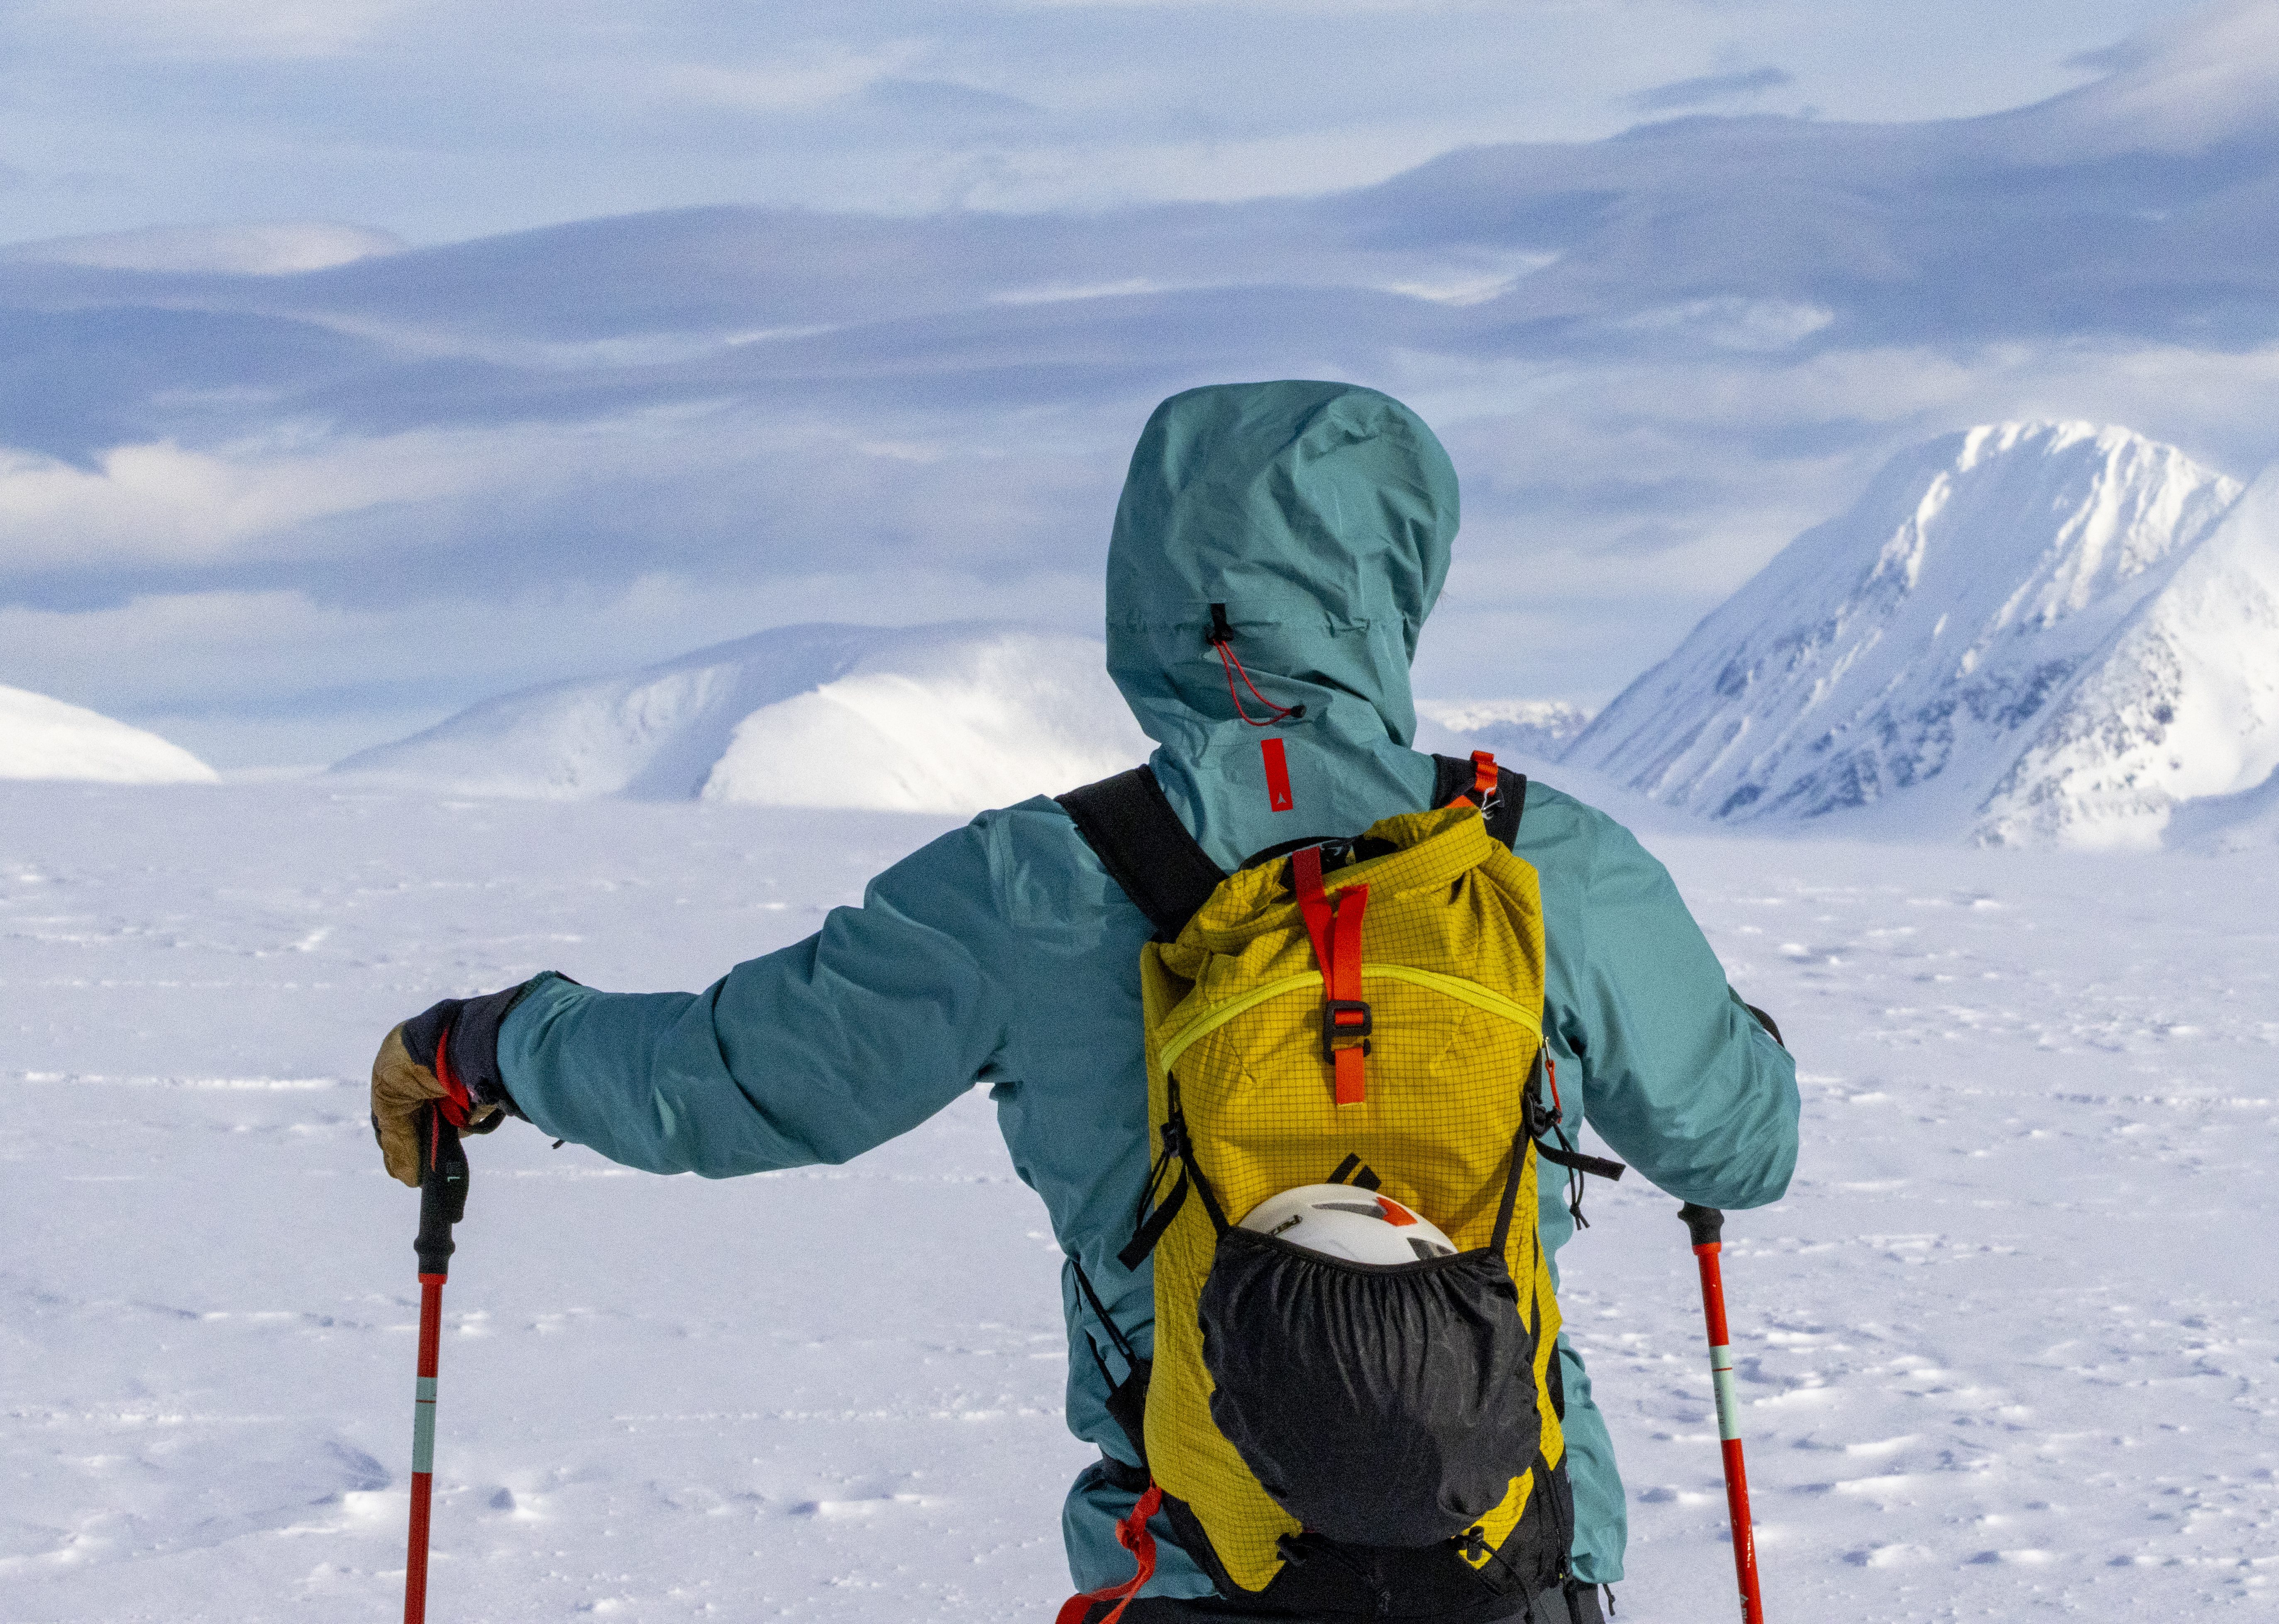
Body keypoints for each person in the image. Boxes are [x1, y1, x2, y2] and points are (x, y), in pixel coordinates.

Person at [369, 380, 1800, 1623]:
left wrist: (498, 1041)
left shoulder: (1035, 882)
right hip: (1513, 1574)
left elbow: (729, 1082)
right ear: (1397, 582)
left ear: (1153, 590)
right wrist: (1742, 1053)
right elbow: (1743, 1146)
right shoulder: (1541, 860)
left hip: (1190, 1568)